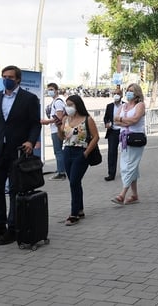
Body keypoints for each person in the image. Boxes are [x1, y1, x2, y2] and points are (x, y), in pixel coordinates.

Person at [0, 66, 41, 245]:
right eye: (4, 76)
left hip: (17, 151)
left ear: (18, 80)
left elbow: (35, 124)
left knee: (15, 189)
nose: (6, 79)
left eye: (10, 77)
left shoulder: (29, 99)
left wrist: (31, 141)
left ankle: (13, 227)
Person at [59, 95, 99, 225]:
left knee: (74, 181)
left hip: (80, 152)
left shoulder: (87, 119)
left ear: (77, 105)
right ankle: (80, 209)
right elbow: (62, 137)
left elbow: (96, 137)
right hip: (67, 151)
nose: (68, 107)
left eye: (70, 104)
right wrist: (59, 127)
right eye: (67, 104)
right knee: (74, 182)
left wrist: (86, 153)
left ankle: (74, 213)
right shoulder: (66, 119)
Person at [110, 83, 147, 205]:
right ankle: (134, 195)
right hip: (124, 139)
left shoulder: (140, 105)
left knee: (128, 166)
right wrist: (124, 122)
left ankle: (122, 194)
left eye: (131, 91)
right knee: (130, 166)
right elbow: (115, 119)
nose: (128, 93)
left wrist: (122, 121)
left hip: (135, 139)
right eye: (128, 90)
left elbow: (135, 119)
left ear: (137, 94)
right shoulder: (124, 106)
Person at [41, 83, 66, 180]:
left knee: (58, 151)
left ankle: (61, 172)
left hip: (57, 129)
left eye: (51, 89)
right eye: (48, 89)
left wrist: (47, 121)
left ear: (56, 90)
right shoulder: (55, 102)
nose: (49, 91)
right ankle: (61, 169)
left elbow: (59, 117)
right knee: (59, 150)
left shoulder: (58, 102)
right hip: (55, 129)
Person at [102, 87, 123, 181]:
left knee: (126, 152)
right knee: (111, 153)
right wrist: (107, 123)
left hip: (123, 131)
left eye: (118, 93)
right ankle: (111, 173)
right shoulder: (109, 106)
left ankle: (126, 171)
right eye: (114, 93)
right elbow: (106, 117)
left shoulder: (125, 106)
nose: (116, 95)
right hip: (113, 132)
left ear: (121, 95)